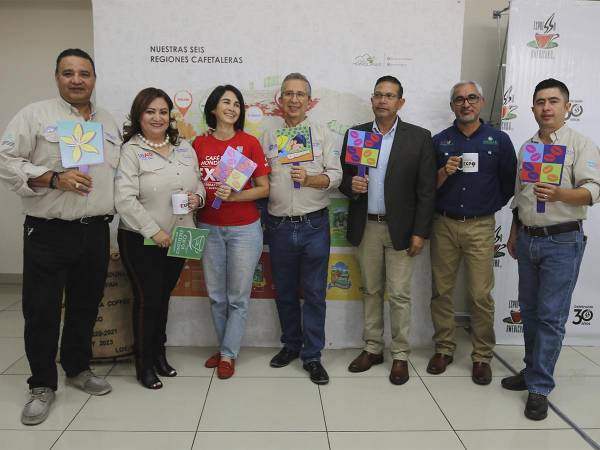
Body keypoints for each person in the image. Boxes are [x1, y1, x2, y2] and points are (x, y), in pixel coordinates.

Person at [0, 49, 120, 425]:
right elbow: (5, 160)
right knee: (42, 311)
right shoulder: (34, 115)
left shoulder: (109, 121)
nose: (77, 79)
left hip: (96, 230)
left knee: (86, 305)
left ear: (94, 79)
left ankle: (77, 368)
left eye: (84, 73)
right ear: (57, 77)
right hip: (48, 231)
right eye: (68, 73)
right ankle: (41, 385)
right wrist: (52, 177)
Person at [502, 78, 600, 420]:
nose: (546, 107)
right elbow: (521, 196)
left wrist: (560, 194)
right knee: (529, 312)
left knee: (550, 317)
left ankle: (540, 387)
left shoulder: (580, 144)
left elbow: (593, 191)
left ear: (566, 107)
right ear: (532, 108)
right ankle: (531, 372)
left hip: (562, 240)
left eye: (553, 101)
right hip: (528, 238)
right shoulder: (528, 146)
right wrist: (515, 231)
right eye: (540, 101)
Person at [340, 75, 436, 385]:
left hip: (402, 230)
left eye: (390, 95)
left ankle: (400, 355)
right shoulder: (357, 135)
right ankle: (372, 348)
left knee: (399, 295)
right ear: (372, 100)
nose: (383, 100)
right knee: (371, 290)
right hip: (365, 226)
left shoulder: (419, 138)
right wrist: (351, 187)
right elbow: (343, 180)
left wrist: (420, 232)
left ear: (400, 102)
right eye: (378, 95)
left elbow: (426, 191)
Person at [427, 81, 517, 385]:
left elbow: (508, 183)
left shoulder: (499, 140)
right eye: (459, 100)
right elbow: (427, 188)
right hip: (443, 224)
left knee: (480, 295)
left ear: (481, 101)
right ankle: (444, 348)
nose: (465, 104)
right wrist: (443, 172)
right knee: (441, 292)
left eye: (472, 98)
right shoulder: (439, 141)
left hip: (480, 226)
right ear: (452, 105)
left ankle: (482, 356)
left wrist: (488, 205)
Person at [115, 87, 205, 389]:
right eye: (150, 111)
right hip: (142, 239)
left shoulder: (185, 148)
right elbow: (124, 200)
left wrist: (198, 199)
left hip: (181, 236)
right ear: (139, 116)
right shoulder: (130, 151)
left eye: (163, 112)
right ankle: (143, 364)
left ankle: (159, 355)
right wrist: (155, 232)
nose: (157, 117)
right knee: (147, 300)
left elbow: (199, 184)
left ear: (171, 116)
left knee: (163, 298)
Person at [261, 73, 342, 385]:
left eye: (300, 94)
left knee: (314, 293)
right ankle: (291, 345)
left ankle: (313, 356)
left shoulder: (322, 134)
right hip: (278, 225)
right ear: (280, 100)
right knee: (283, 292)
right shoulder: (267, 137)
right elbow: (258, 179)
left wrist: (310, 179)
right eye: (288, 94)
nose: (294, 99)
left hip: (313, 224)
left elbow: (335, 175)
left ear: (310, 101)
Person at [192, 85, 270, 379]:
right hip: (208, 226)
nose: (232, 108)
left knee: (238, 295)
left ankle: (228, 354)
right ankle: (227, 345)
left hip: (244, 229)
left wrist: (235, 196)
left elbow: (265, 188)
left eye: (237, 104)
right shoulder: (197, 145)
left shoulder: (248, 143)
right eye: (226, 102)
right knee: (216, 294)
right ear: (213, 108)